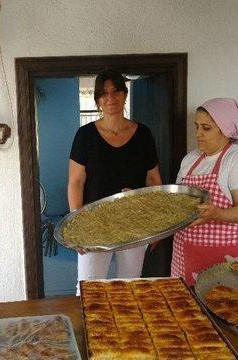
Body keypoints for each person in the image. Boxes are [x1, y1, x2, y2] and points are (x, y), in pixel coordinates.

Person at [68, 69, 163, 294]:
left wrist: (157, 224)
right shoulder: (85, 135)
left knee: (129, 287)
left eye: (116, 91)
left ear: (124, 94)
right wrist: (77, 226)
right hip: (94, 224)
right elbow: (76, 182)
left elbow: (154, 180)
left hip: (135, 222)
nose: (110, 98)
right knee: (90, 287)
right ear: (98, 99)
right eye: (103, 93)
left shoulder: (143, 134)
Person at [171, 98, 238, 285]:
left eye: (206, 128)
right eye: (197, 126)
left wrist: (216, 213)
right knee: (189, 308)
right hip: (188, 253)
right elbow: (178, 202)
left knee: (232, 309)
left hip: (231, 254)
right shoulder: (190, 160)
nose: (198, 134)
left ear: (227, 130)